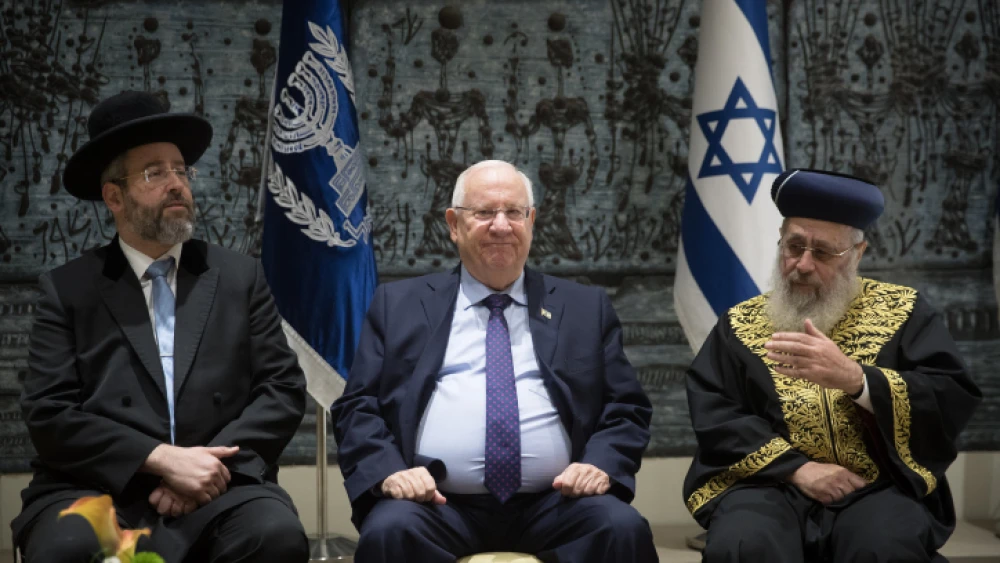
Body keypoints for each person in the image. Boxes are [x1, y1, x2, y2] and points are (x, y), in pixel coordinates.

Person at [12, 91, 309, 563]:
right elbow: (50, 413)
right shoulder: (68, 290)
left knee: (274, 536)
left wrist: (206, 469)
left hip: (222, 485)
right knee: (67, 548)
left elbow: (282, 388)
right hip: (100, 486)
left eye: (180, 170)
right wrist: (160, 459)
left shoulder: (237, 277)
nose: (177, 184)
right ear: (114, 196)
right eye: (155, 172)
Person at [331, 160, 658, 562]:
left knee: (622, 529)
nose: (501, 226)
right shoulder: (399, 305)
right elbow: (357, 407)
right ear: (454, 224)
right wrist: (389, 471)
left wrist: (600, 464)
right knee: (389, 532)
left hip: (558, 502)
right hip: (436, 503)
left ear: (531, 220)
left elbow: (625, 406)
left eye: (514, 213)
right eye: (484, 212)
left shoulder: (584, 307)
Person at [683, 169, 983, 562]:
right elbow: (715, 412)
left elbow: (949, 395)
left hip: (876, 484)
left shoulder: (904, 312)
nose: (803, 264)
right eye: (794, 247)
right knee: (743, 544)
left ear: (857, 254)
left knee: (884, 547)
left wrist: (857, 380)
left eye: (822, 252)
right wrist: (797, 469)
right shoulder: (740, 324)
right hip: (768, 483)